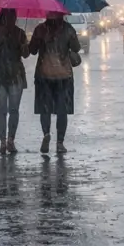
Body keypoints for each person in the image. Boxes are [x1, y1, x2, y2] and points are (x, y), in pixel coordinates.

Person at [28, 10, 81, 154]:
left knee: (45, 109)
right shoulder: (68, 29)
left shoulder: (40, 29)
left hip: (43, 74)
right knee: (61, 110)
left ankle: (46, 134)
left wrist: (37, 40)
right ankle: (60, 143)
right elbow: (77, 48)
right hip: (64, 75)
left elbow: (32, 50)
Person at [0, 8, 29, 155]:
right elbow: (26, 54)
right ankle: (10, 141)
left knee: (2, 110)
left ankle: (4, 141)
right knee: (13, 110)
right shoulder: (19, 33)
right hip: (14, 76)